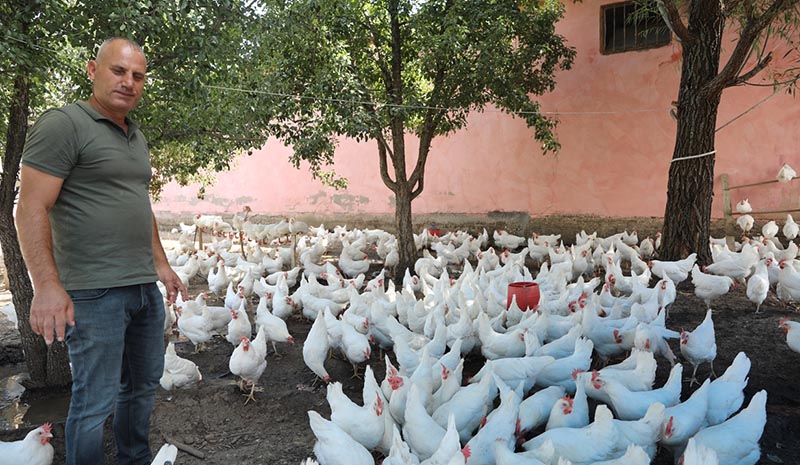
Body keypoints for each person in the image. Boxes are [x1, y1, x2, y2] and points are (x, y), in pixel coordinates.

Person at [16, 37, 187, 465]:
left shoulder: (136, 135)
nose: (129, 82)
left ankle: (135, 459)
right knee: (94, 402)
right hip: (93, 292)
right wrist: (47, 286)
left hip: (142, 288)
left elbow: (138, 203)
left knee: (142, 387)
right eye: (118, 71)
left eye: (138, 76)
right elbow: (30, 208)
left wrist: (161, 264)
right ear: (93, 70)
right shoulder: (64, 125)